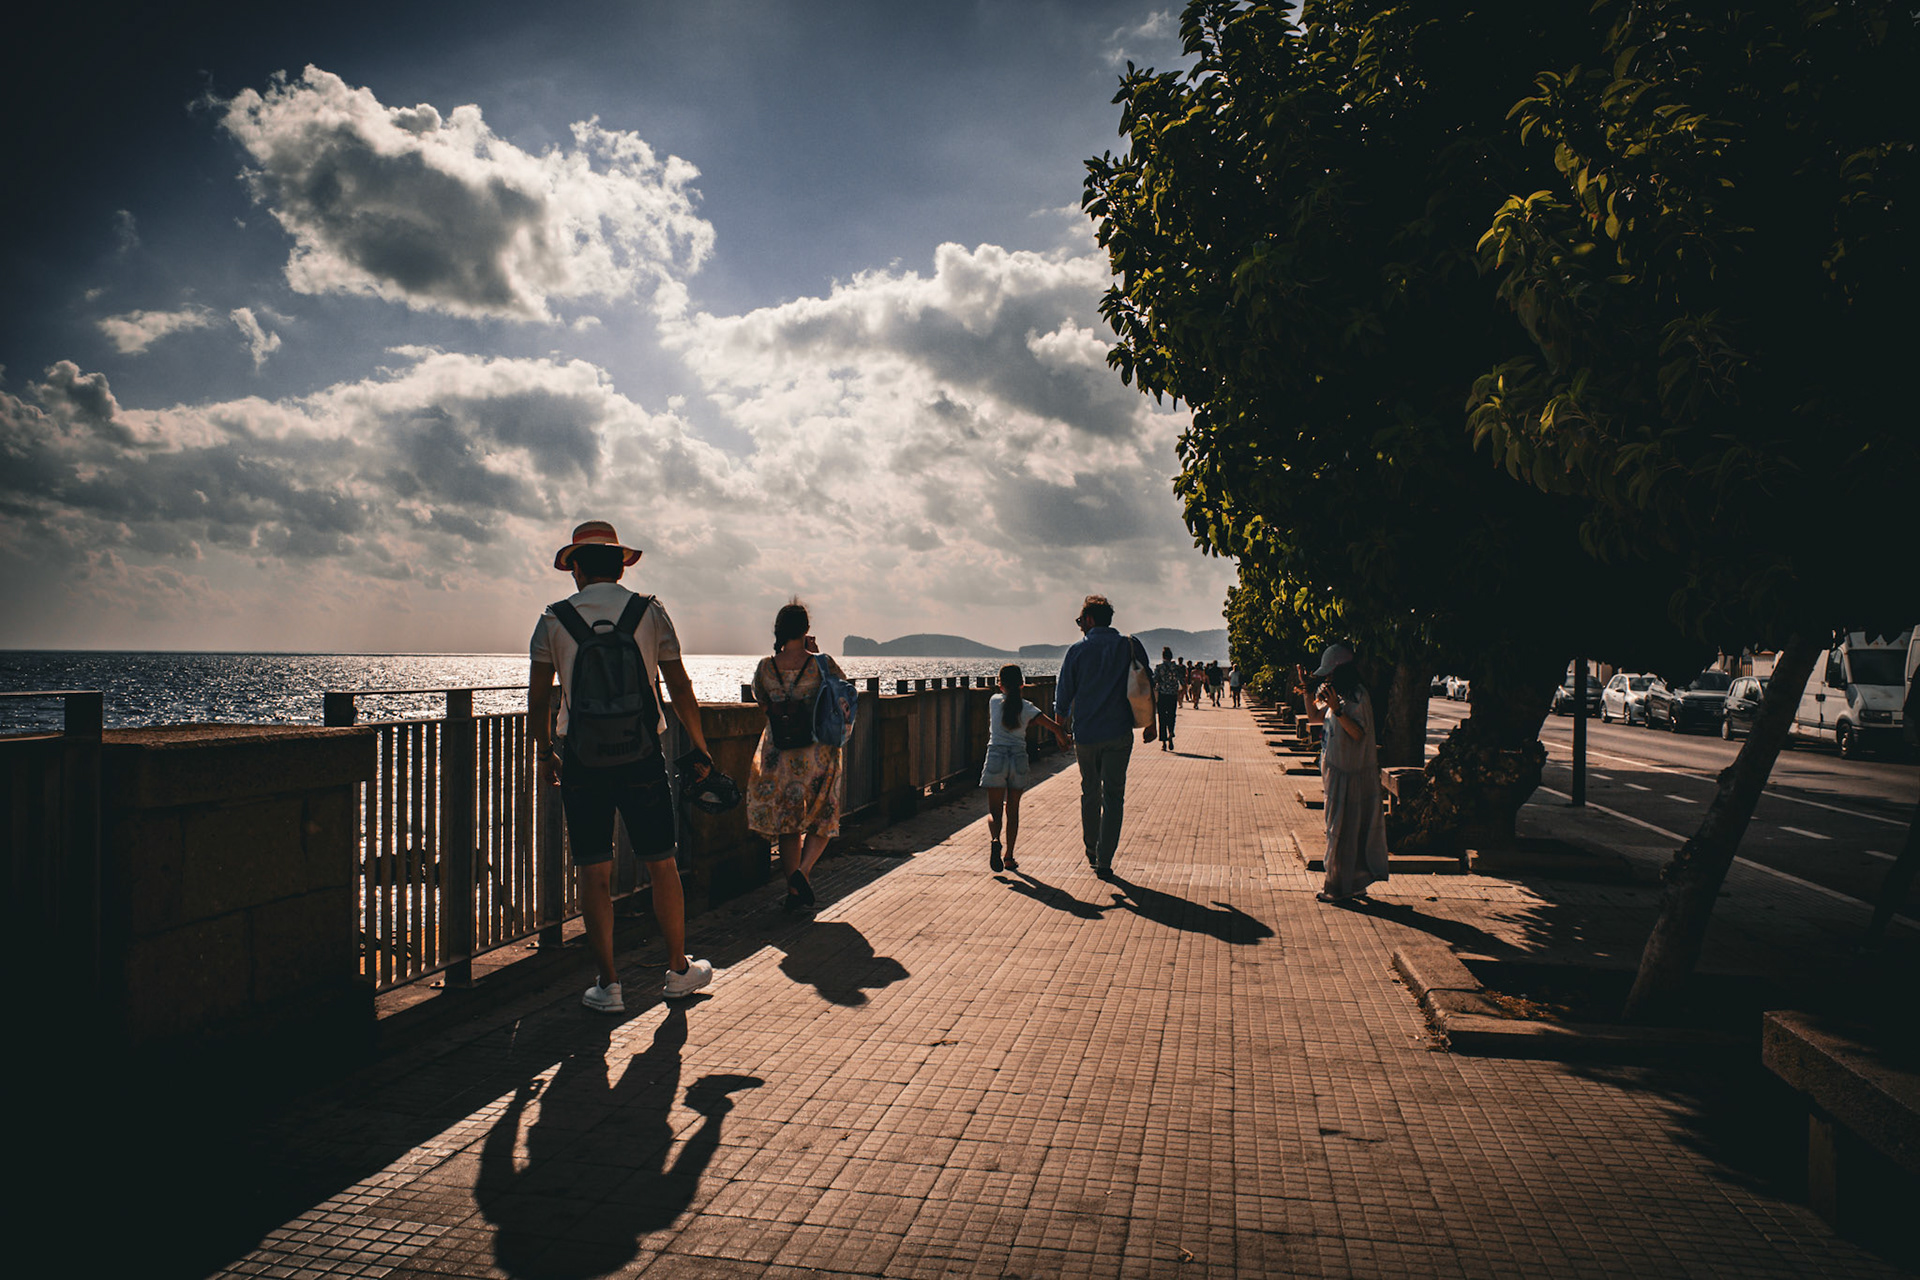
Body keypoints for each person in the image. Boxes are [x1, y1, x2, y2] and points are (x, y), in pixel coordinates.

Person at [529, 520, 714, 1013]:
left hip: (582, 760)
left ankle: (608, 984)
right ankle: (678, 971)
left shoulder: (553, 620)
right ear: (620, 567)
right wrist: (700, 746)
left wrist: (545, 752)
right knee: (661, 863)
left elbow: (539, 700)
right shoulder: (649, 611)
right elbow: (680, 686)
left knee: (594, 870)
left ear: (577, 569)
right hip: (642, 756)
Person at [747, 600, 847, 912]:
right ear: (806, 629)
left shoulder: (766, 666)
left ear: (779, 629)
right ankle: (802, 873)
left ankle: (793, 890)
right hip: (817, 751)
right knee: (823, 814)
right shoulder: (821, 663)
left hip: (780, 753)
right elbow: (842, 693)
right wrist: (815, 654)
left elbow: (761, 699)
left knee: (788, 821)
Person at [1054, 594, 1156, 878]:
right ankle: (1105, 858)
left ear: (1089, 620)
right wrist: (1151, 723)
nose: (1080, 627)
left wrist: (1060, 730)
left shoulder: (1077, 651)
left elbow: (1064, 694)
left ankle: (1091, 848)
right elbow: (1147, 683)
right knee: (1114, 796)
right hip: (1119, 733)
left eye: (1080, 621)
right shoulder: (1129, 646)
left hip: (1086, 735)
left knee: (1090, 792)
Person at [1311, 643, 1389, 903]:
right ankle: (1353, 884)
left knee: (1341, 831)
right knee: (1344, 830)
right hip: (1336, 773)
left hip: (1350, 775)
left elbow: (1357, 733)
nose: (1327, 679)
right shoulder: (1339, 695)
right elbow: (1314, 717)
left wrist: (1337, 709)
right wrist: (1307, 690)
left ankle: (1336, 888)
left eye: (1330, 673)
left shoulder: (1356, 697)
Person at [981, 664, 1070, 872]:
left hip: (996, 756)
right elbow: (1055, 727)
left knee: (994, 811)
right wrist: (1064, 741)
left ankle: (995, 840)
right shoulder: (1028, 707)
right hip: (1018, 758)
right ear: (1022, 684)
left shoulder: (994, 701)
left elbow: (1006, 717)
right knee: (1012, 810)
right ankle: (1009, 857)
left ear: (1000, 685)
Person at [1153, 646, 1183, 752]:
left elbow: (1155, 680)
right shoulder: (1176, 668)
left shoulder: (1159, 667)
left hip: (1162, 695)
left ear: (1163, 657)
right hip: (1173, 694)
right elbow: (1181, 680)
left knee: (1162, 718)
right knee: (1171, 715)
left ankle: (1164, 743)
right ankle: (1171, 731)